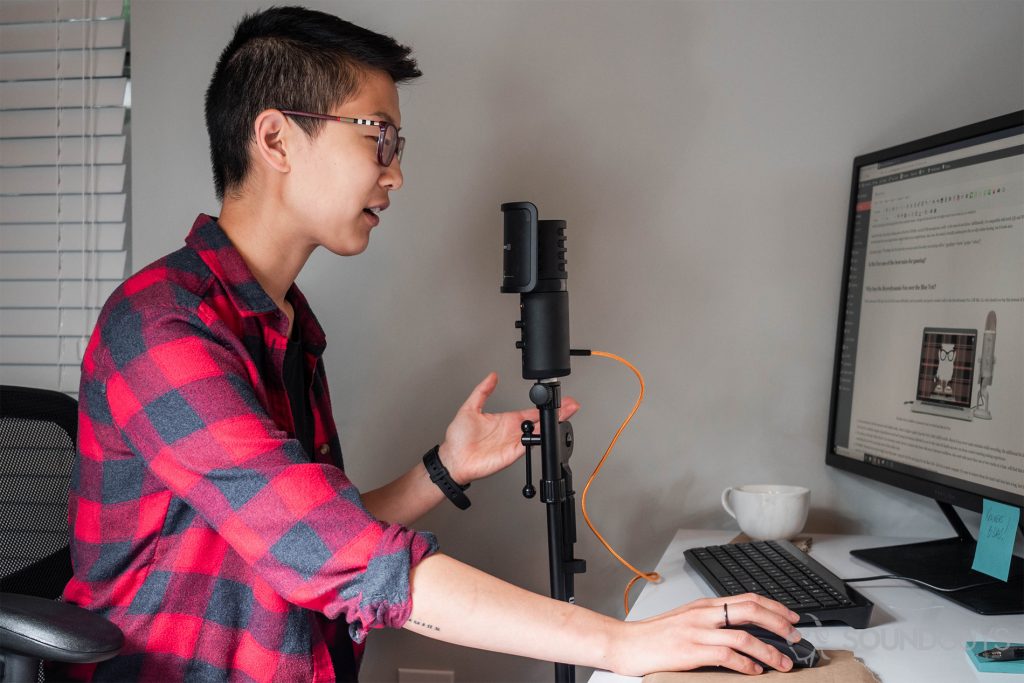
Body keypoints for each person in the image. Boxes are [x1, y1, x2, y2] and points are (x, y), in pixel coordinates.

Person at [61, 6, 803, 681]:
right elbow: (334, 553)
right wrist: (623, 643)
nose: (396, 171)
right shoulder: (158, 329)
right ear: (277, 137)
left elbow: (311, 521)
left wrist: (445, 468)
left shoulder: (284, 324)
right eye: (377, 136)